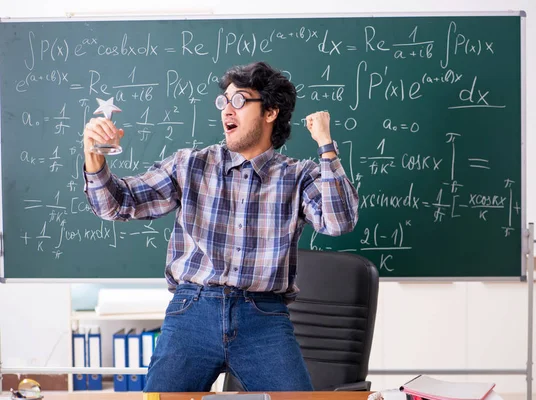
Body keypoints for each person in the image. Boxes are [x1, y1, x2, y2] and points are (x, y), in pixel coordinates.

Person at [82, 61, 359, 392]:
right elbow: (116, 204)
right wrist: (94, 158)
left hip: (264, 317)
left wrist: (326, 147)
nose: (227, 109)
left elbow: (339, 221)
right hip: (193, 310)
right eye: (224, 101)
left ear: (270, 112)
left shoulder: (298, 175)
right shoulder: (190, 165)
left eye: (239, 101)